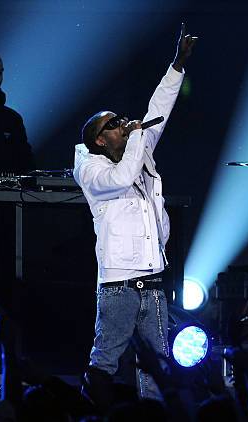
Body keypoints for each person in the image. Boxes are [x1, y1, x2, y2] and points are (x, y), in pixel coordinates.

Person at [73, 24, 196, 404]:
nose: (123, 124)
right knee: (105, 360)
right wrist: (139, 135)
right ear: (99, 138)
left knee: (157, 363)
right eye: (113, 124)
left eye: (122, 119)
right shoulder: (90, 169)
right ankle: (86, 412)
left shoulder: (138, 151)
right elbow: (122, 175)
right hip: (118, 286)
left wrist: (177, 64)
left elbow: (159, 108)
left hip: (153, 279)